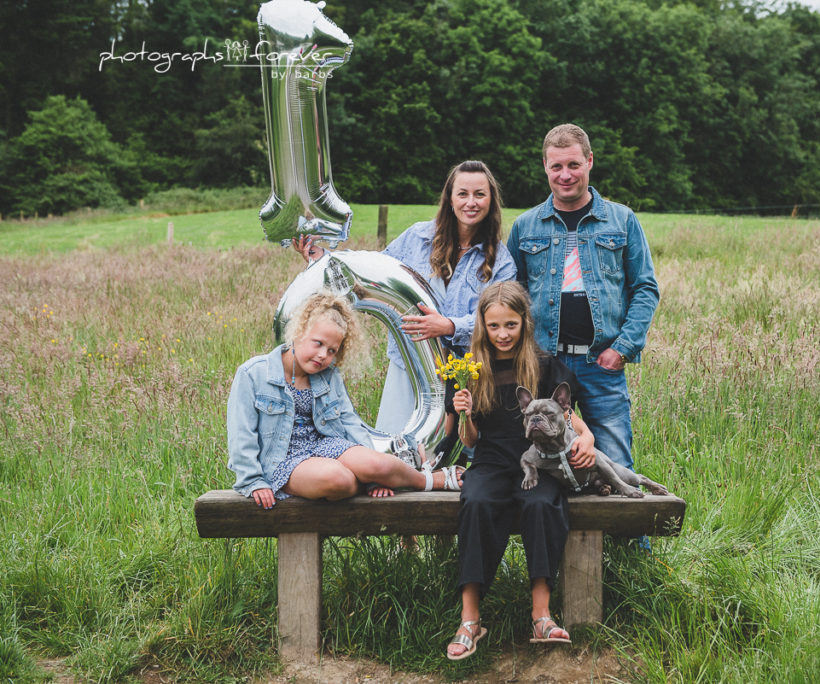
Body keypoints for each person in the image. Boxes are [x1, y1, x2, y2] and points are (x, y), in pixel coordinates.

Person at [293, 160, 517, 437]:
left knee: (450, 454)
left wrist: (449, 326)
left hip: (467, 373)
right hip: (408, 363)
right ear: (449, 198)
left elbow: (502, 318)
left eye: (480, 194)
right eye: (463, 194)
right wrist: (324, 260)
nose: (471, 202)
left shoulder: (501, 262)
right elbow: (371, 272)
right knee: (396, 445)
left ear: (492, 200)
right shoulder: (417, 237)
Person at [444, 281, 597, 660]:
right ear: (482, 324)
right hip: (492, 460)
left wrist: (588, 439)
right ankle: (470, 619)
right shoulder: (469, 369)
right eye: (494, 326)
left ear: (524, 322)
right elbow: (471, 439)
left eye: (510, 325)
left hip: (540, 462)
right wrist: (463, 410)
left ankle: (541, 614)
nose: (502, 334)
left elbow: (568, 417)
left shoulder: (542, 365)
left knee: (542, 504)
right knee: (476, 502)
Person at [506, 124, 659, 475]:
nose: (565, 175)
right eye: (556, 166)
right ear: (545, 167)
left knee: (616, 459)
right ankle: (554, 530)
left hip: (600, 364)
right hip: (544, 363)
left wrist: (622, 349)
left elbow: (645, 288)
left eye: (573, 164)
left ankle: (627, 531)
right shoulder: (526, 226)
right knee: (545, 458)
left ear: (589, 161)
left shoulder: (621, 220)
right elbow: (511, 295)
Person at [226, 291, 463, 509]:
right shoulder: (253, 374)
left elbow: (350, 422)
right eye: (318, 343)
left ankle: (426, 480)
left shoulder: (329, 377)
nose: (323, 356)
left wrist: (374, 477)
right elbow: (241, 434)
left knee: (380, 465)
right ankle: (363, 480)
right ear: (297, 332)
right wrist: (253, 480)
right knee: (340, 480)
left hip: (325, 446)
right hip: (282, 459)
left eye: (332, 351)